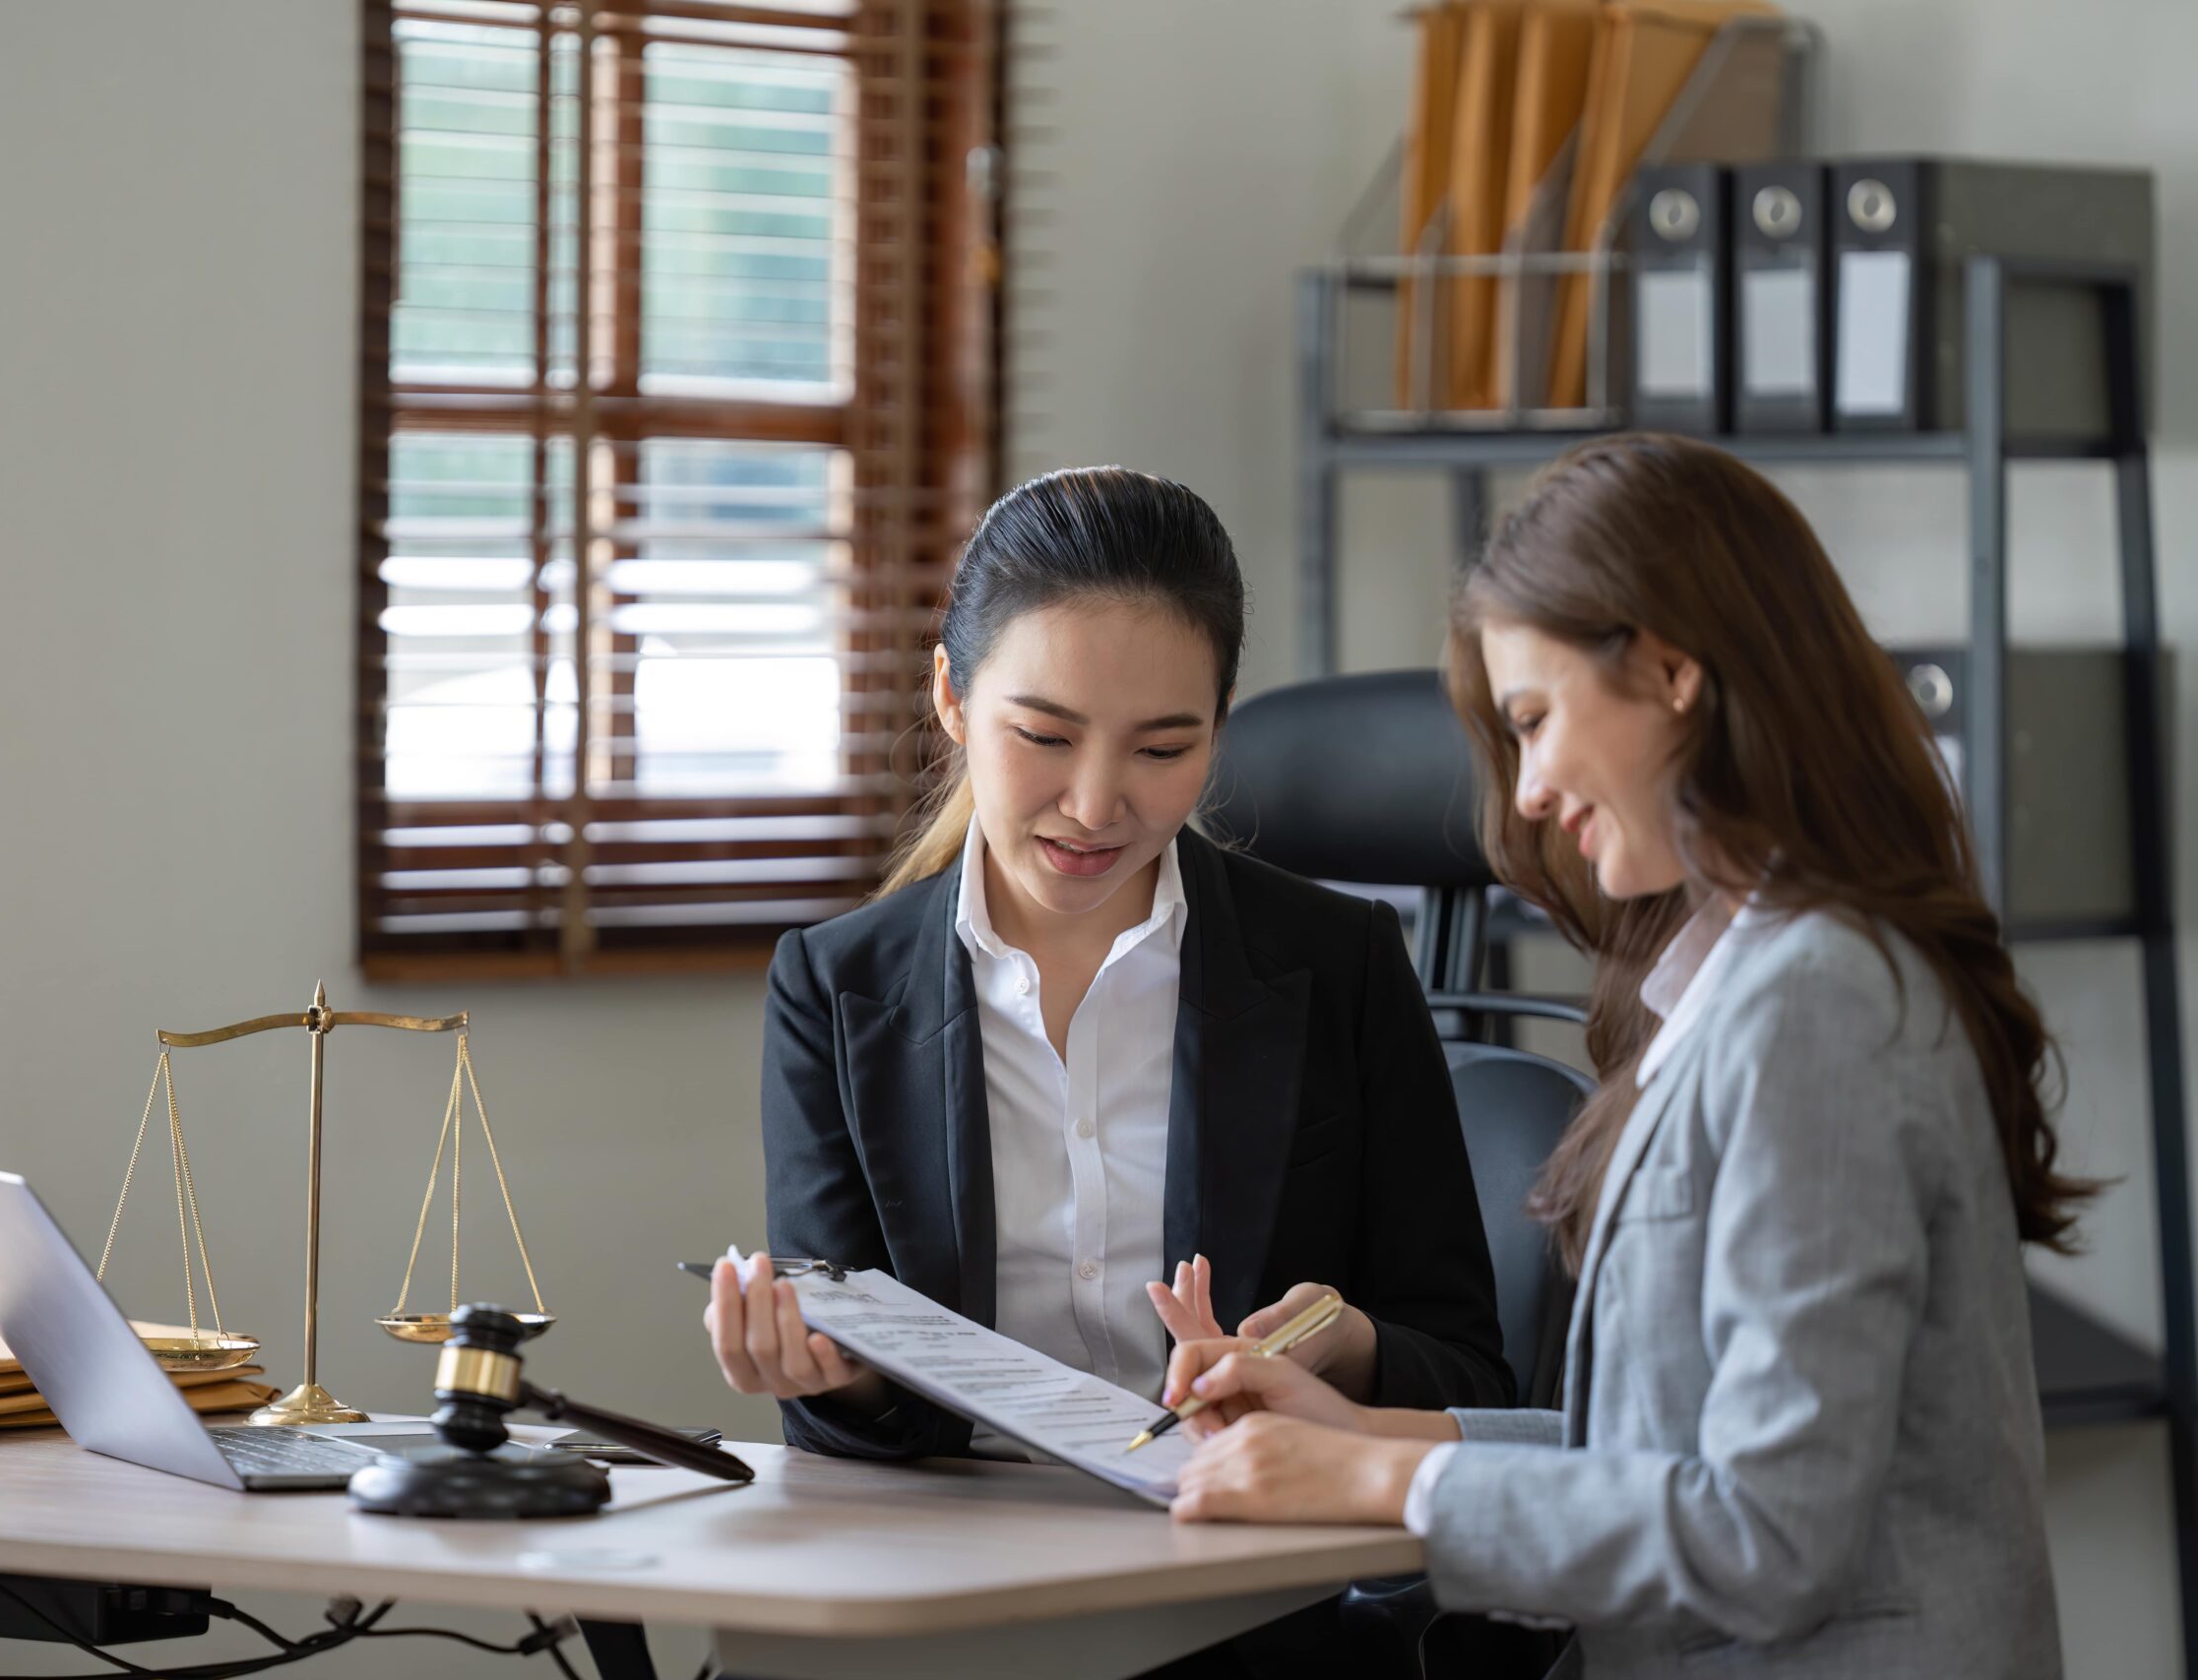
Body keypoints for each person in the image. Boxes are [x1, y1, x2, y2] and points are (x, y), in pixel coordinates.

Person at [1161, 434, 2081, 1677]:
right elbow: (1668, 1458)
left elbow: (1765, 1531)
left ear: (1668, 670)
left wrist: (1388, 1478)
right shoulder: (1746, 982)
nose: (1528, 793)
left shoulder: (1816, 1008)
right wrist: (1380, 1436)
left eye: (1535, 721)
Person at [702, 466, 1512, 1468]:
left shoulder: (1337, 964)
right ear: (950, 696)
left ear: (1218, 731)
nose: (1093, 806)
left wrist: (1346, 1353)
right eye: (1044, 736)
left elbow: (1472, 1374)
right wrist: (834, 1373)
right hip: (950, 1548)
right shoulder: (834, 989)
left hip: (1245, 1549)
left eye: (1162, 750)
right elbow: (853, 1416)